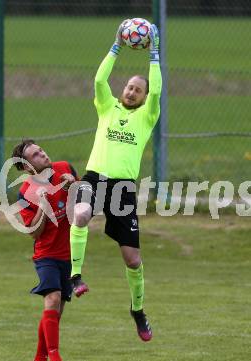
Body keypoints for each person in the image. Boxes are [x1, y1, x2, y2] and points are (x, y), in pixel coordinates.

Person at [69, 21, 162, 342]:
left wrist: (154, 54)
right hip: (94, 179)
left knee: (133, 260)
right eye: (129, 87)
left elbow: (158, 89)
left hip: (123, 189)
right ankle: (74, 276)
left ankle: (138, 311)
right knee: (80, 214)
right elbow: (98, 79)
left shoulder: (146, 117)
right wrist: (116, 46)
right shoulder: (107, 108)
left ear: (145, 97)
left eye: (138, 89)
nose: (132, 90)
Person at [12, 139, 77, 361]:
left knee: (56, 311)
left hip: (68, 255)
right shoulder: (25, 193)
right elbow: (33, 232)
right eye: (36, 155)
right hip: (46, 254)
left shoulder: (65, 168)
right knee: (53, 298)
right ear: (28, 168)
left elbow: (82, 208)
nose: (43, 154)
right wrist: (42, 205)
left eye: (40, 150)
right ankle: (55, 360)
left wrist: (75, 188)